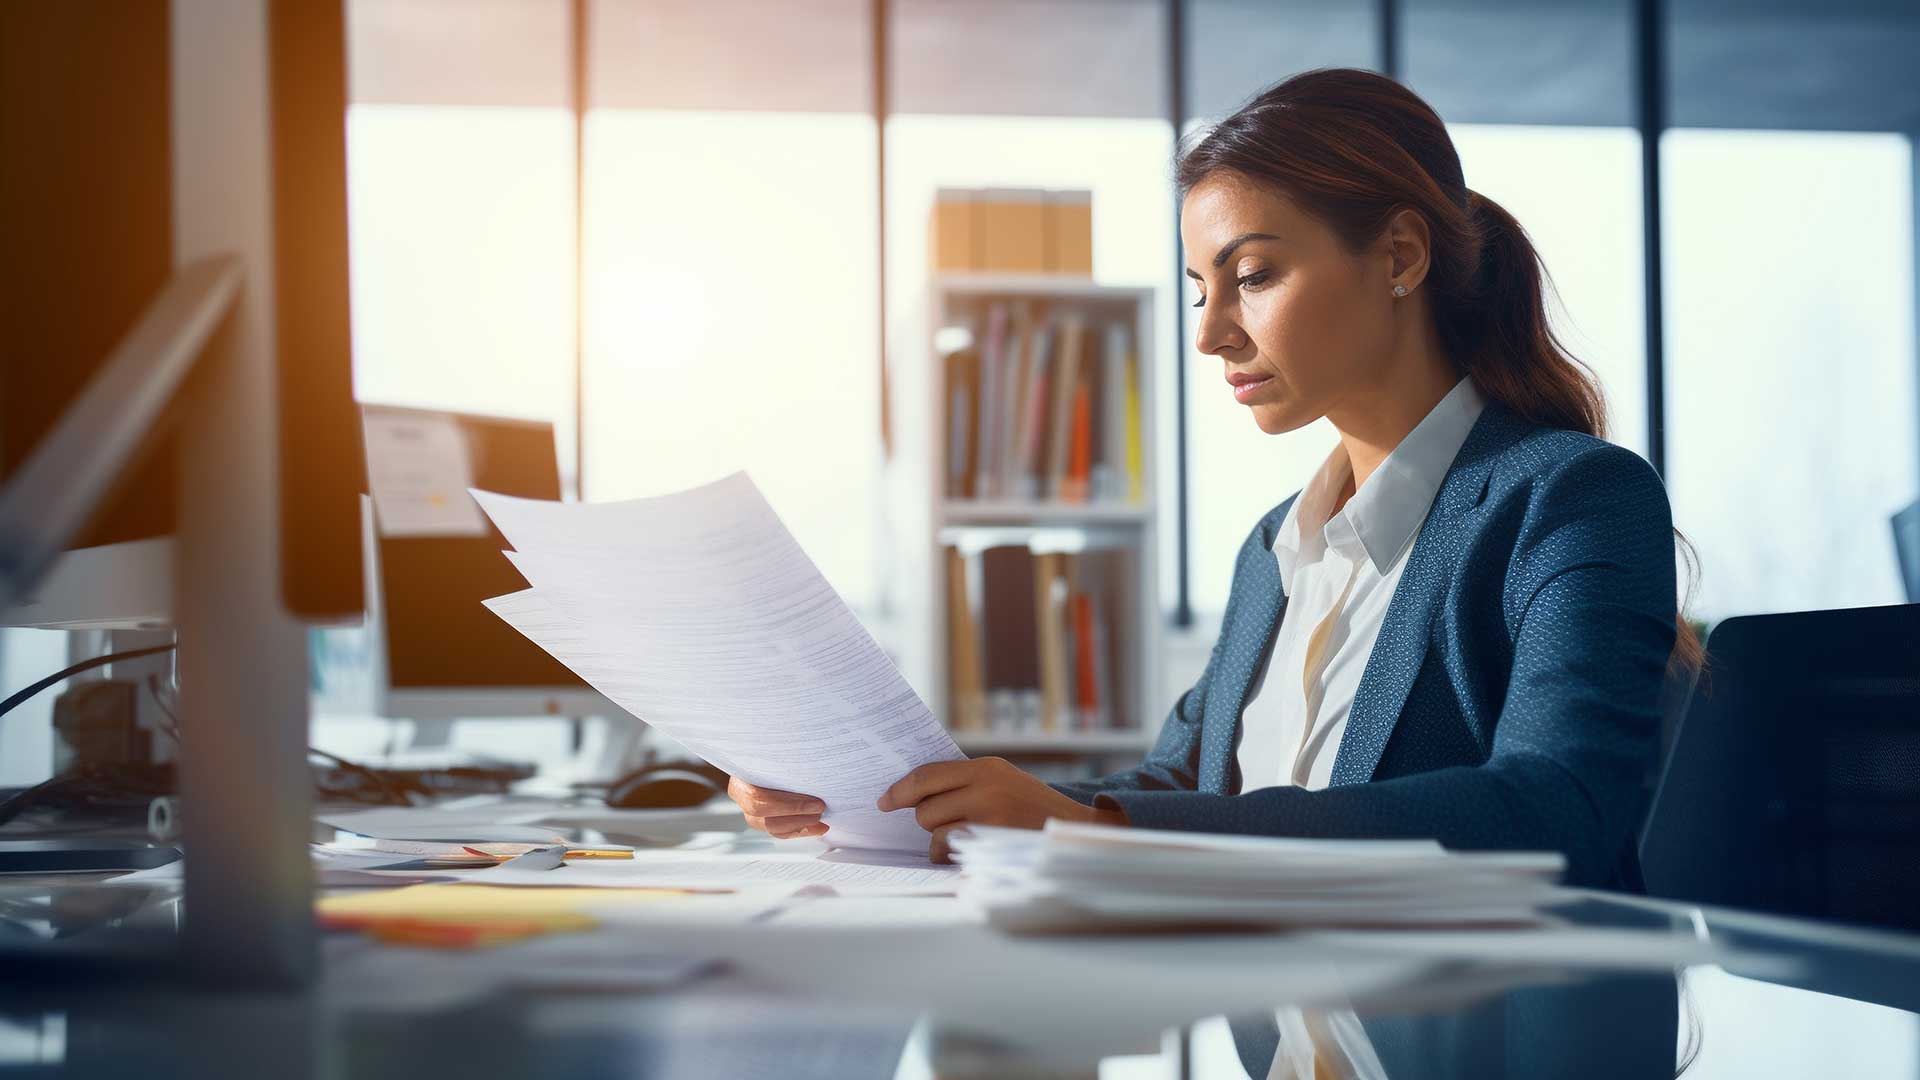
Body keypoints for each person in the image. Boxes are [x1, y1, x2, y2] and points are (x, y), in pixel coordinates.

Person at [728, 67, 1702, 888]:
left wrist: (1100, 836)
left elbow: (1555, 804)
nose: (1209, 332)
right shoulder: (1276, 548)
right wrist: (901, 798)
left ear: (1400, 256)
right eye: (1203, 288)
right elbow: (1175, 783)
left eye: (1254, 275)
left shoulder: (1568, 499)